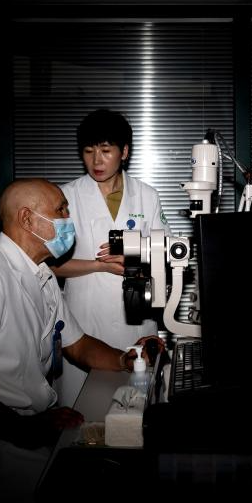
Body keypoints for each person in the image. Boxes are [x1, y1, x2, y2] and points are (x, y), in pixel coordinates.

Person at [0, 178, 159, 503]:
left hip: (23, 429)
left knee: (114, 467)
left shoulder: (41, 277)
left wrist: (126, 358)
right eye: (61, 210)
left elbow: (79, 345)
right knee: (94, 496)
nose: (69, 219)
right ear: (27, 219)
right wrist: (23, 429)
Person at [51, 109, 172, 407]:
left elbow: (166, 254)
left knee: (138, 411)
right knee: (83, 412)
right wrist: (99, 265)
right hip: (84, 325)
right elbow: (50, 266)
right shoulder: (65, 198)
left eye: (106, 151)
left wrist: (135, 255)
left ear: (124, 152)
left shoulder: (147, 196)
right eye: (88, 151)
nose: (96, 161)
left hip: (136, 320)